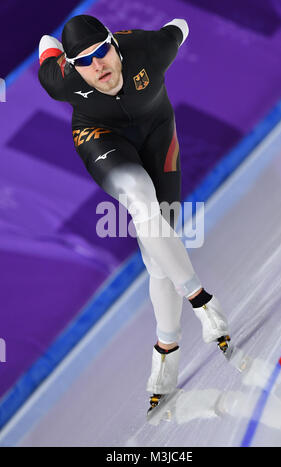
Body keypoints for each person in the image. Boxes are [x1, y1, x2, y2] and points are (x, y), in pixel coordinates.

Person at [38, 14, 230, 413]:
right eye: (85, 61)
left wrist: (174, 29)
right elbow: (45, 43)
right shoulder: (61, 80)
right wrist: (56, 50)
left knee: (158, 259)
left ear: (114, 44)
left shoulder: (150, 49)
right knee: (140, 203)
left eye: (103, 51)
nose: (99, 66)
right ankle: (204, 303)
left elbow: (180, 25)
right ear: (73, 67)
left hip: (159, 133)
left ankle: (166, 351)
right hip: (100, 138)